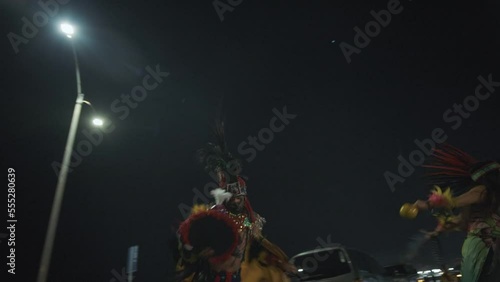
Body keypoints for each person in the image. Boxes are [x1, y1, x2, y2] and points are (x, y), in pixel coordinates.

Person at [174, 122, 296, 281]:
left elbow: (259, 249)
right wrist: (194, 250)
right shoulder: (215, 215)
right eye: (233, 197)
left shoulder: (249, 220)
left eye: (240, 197)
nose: (237, 200)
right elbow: (189, 240)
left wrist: (280, 262)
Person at [410, 144, 500, 282]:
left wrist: (427, 204)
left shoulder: (481, 191)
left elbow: (454, 201)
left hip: (484, 249)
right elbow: (462, 222)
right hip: (485, 249)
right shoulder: (483, 194)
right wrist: (441, 228)